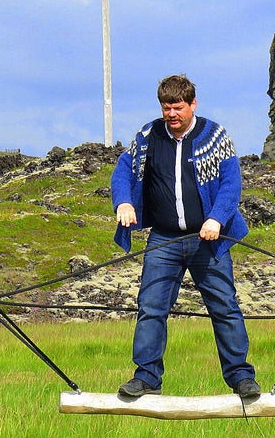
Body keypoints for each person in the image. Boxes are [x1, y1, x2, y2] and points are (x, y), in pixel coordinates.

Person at [110, 74, 260, 400]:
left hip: (208, 240)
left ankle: (241, 378)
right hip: (163, 239)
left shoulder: (217, 136)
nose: (172, 114)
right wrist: (123, 201)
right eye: (166, 108)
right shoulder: (148, 136)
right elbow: (123, 169)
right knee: (151, 307)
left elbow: (231, 184)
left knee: (224, 308)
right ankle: (147, 377)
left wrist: (217, 219)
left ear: (193, 104)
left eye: (178, 107)